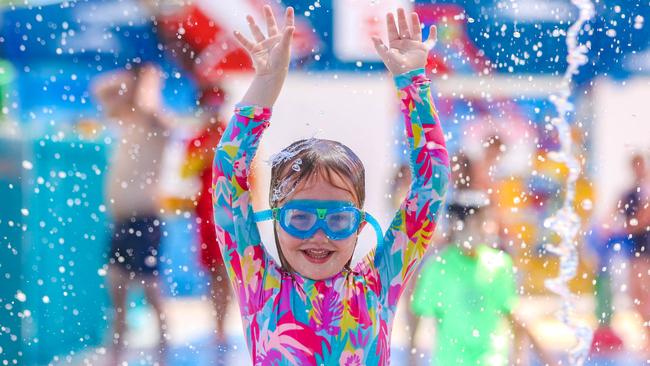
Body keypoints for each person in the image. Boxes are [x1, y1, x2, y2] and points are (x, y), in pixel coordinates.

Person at [211, 5, 449, 365]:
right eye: (301, 219)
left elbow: (433, 183)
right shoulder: (257, 279)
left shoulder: (379, 280)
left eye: (337, 220)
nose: (319, 235)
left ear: (359, 224)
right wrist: (265, 84)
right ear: (275, 218)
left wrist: (413, 82)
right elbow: (228, 174)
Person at [411, 153, 552, 365]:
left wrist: (524, 359)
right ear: (458, 226)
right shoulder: (439, 267)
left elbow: (514, 317)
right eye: (480, 224)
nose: (488, 230)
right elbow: (418, 318)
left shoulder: (499, 264)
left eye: (488, 223)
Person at [92, 63, 171, 363]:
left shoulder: (157, 122)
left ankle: (164, 349)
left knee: (151, 290)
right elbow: (99, 90)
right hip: (122, 220)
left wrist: (149, 81)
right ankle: (117, 354)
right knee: (117, 288)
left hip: (145, 218)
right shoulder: (128, 119)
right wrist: (129, 79)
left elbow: (149, 108)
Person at [180, 85, 231, 346]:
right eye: (208, 107)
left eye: (216, 106)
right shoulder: (197, 139)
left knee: (228, 270)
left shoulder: (231, 136)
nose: (212, 112)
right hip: (204, 214)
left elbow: (248, 172)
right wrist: (204, 155)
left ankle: (225, 323)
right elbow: (185, 172)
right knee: (213, 271)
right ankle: (218, 324)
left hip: (228, 213)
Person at [618, 153, 650, 355]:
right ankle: (646, 335)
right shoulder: (629, 192)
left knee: (645, 294)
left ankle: (648, 337)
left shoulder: (647, 190)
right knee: (635, 295)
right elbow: (615, 212)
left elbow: (644, 218)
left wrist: (626, 228)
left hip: (646, 250)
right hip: (635, 249)